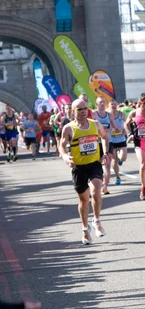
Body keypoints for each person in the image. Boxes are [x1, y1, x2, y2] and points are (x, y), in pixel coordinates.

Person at [59, 98, 109, 244]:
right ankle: (85, 230)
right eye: (79, 109)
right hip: (78, 168)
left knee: (96, 189)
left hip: (94, 163)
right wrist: (65, 157)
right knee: (84, 200)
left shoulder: (95, 124)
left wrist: (104, 152)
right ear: (73, 111)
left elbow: (105, 137)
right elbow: (61, 146)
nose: (82, 112)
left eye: (85, 109)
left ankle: (97, 220)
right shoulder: (68, 128)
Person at [92, 97, 120, 194]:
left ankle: (105, 186)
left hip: (109, 142)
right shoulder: (94, 114)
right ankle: (94, 186)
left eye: (104, 102)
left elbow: (114, 126)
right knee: (97, 166)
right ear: (97, 104)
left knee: (107, 165)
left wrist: (116, 129)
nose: (103, 103)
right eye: (100, 102)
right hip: (97, 143)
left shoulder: (109, 115)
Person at [108, 99, 128, 186]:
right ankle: (117, 177)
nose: (113, 106)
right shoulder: (107, 115)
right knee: (114, 160)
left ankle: (121, 159)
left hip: (121, 139)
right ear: (109, 106)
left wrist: (126, 130)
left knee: (123, 157)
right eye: (111, 104)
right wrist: (111, 130)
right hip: (112, 140)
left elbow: (127, 123)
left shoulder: (121, 114)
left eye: (114, 104)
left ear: (117, 105)